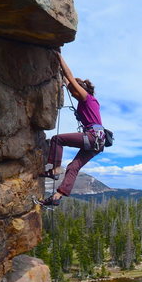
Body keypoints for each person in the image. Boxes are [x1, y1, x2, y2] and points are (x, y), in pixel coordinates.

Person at [39, 52, 106, 207]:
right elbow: (67, 80)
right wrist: (60, 77)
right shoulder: (90, 102)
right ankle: (58, 195)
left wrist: (58, 56)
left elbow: (70, 76)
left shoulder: (86, 97)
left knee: (57, 139)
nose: (71, 91)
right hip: (98, 141)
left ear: (81, 89)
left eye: (73, 89)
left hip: (92, 136)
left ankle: (55, 170)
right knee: (73, 166)